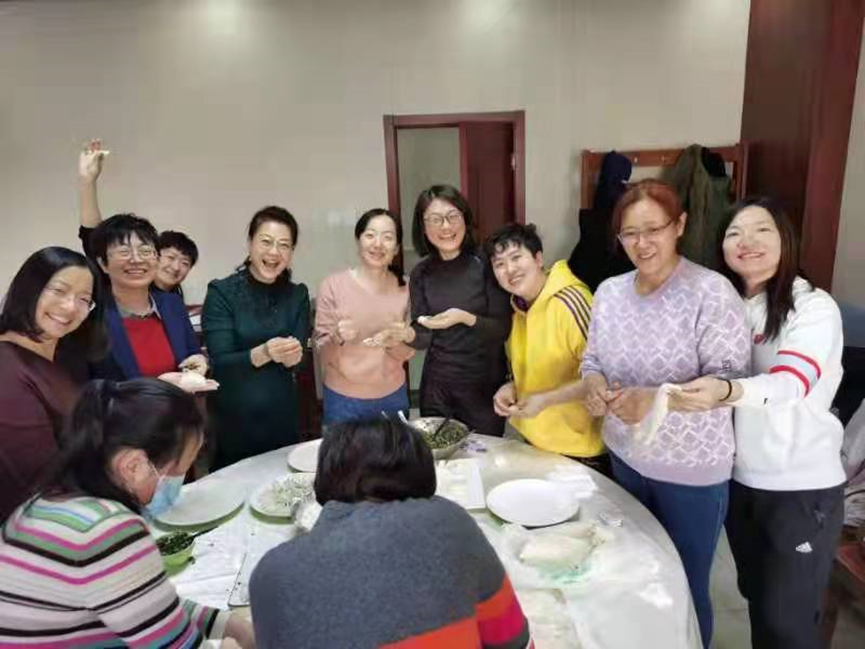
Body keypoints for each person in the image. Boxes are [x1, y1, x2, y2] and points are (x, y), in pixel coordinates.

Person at [571, 180, 749, 648]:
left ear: (679, 225)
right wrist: (594, 384)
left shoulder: (710, 292)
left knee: (684, 585)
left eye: (653, 229)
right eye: (630, 233)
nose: (642, 243)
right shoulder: (610, 292)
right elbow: (593, 360)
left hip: (690, 470)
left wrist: (654, 398)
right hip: (626, 458)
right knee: (634, 577)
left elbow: (730, 382)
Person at [671, 197, 845, 649]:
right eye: (734, 233)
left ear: (785, 239)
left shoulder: (813, 307)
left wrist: (726, 391)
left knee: (787, 624)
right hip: (740, 480)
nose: (746, 241)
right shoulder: (726, 305)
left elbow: (791, 382)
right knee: (758, 599)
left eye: (761, 230)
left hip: (799, 488)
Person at [0, 379, 255, 647]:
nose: (178, 486)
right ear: (133, 466)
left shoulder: (49, 502)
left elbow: (147, 605)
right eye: (180, 471)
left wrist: (230, 625)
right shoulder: (106, 531)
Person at [249, 417, 532, 649]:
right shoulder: (451, 523)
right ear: (424, 478)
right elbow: (514, 642)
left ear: (323, 483)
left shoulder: (271, 574)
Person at [486, 223, 606, 473]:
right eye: (499, 264)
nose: (509, 269)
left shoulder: (571, 301)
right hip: (536, 443)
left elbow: (604, 377)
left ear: (538, 258)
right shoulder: (518, 308)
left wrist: (546, 400)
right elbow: (540, 368)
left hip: (578, 451)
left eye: (516, 257)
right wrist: (513, 387)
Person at [0, 247, 105, 521]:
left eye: (84, 299)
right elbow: (34, 483)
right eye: (59, 290)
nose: (70, 306)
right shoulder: (7, 368)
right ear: (29, 289)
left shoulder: (63, 357)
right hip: (47, 525)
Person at [203, 206, 310, 468]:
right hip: (235, 418)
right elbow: (220, 364)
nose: (274, 252)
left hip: (282, 415)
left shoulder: (297, 294)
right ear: (250, 243)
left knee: (284, 482)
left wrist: (295, 358)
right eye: (266, 241)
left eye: (284, 245)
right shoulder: (222, 292)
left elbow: (301, 360)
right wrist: (263, 353)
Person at [408, 185, 512, 436]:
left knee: (484, 454)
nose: (445, 226)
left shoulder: (485, 263)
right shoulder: (421, 273)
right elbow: (422, 336)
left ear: (465, 218)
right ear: (423, 227)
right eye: (435, 219)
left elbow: (502, 329)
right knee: (440, 454)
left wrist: (464, 318)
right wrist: (405, 334)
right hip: (437, 386)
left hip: (483, 386)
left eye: (452, 216)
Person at [314, 208, 414, 424]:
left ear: (396, 248)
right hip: (343, 401)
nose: (378, 244)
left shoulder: (406, 287)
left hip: (393, 397)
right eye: (370, 235)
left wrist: (394, 342)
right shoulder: (332, 286)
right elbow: (322, 352)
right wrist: (337, 337)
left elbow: (409, 352)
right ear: (358, 241)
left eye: (387, 237)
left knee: (396, 448)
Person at [84, 213, 207, 381]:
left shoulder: (172, 304)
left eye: (145, 251)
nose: (136, 259)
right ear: (103, 263)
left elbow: (193, 354)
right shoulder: (91, 316)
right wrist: (156, 388)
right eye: (124, 251)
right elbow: (87, 387)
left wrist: (200, 362)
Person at [78, 138, 199, 296]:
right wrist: (88, 182)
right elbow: (92, 235)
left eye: (185, 263)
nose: (176, 267)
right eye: (170, 257)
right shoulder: (123, 282)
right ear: (154, 256)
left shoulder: (174, 300)